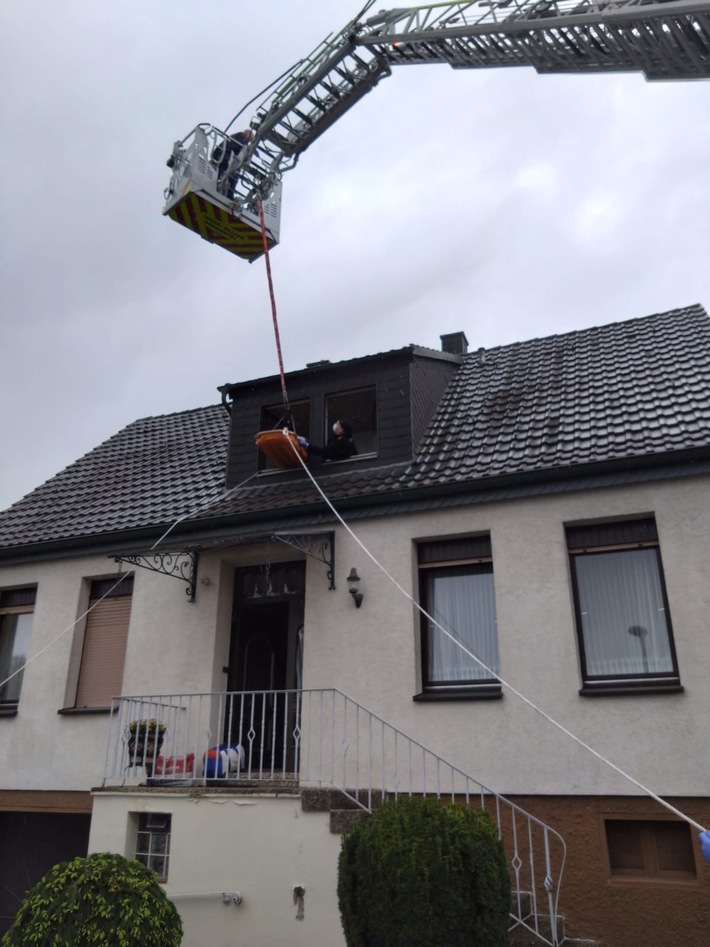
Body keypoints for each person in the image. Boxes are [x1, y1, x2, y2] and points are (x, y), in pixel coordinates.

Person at [211, 129, 253, 197]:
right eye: (250, 138)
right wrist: (249, 149)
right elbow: (240, 145)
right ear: (247, 134)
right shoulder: (241, 136)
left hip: (227, 157)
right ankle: (227, 195)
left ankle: (229, 195)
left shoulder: (235, 137)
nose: (250, 140)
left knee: (232, 177)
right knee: (228, 175)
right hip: (228, 157)